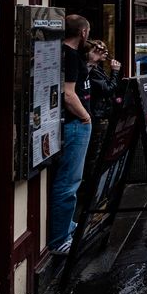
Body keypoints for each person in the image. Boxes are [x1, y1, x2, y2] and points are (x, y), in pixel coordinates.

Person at [49, 14, 93, 255]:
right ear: (83, 33)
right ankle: (59, 239)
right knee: (69, 181)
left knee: (68, 179)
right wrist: (85, 117)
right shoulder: (71, 55)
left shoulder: (62, 52)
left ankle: (67, 225)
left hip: (68, 123)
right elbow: (68, 94)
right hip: (74, 124)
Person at [84, 40, 122, 178]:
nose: (105, 52)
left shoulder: (98, 68)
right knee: (95, 151)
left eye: (106, 50)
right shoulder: (92, 71)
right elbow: (107, 89)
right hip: (97, 114)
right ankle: (90, 181)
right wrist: (115, 72)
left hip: (102, 112)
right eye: (101, 50)